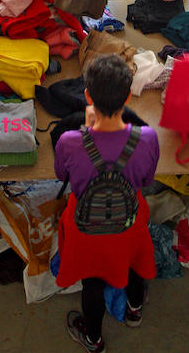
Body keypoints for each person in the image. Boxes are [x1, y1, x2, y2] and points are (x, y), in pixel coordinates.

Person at [55, 55, 159, 352]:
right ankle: (135, 310)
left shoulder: (69, 142)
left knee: (93, 285)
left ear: (87, 96)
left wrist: (86, 134)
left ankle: (94, 338)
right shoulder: (148, 138)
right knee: (135, 265)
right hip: (130, 225)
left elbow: (63, 176)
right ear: (128, 97)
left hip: (86, 231)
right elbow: (146, 180)